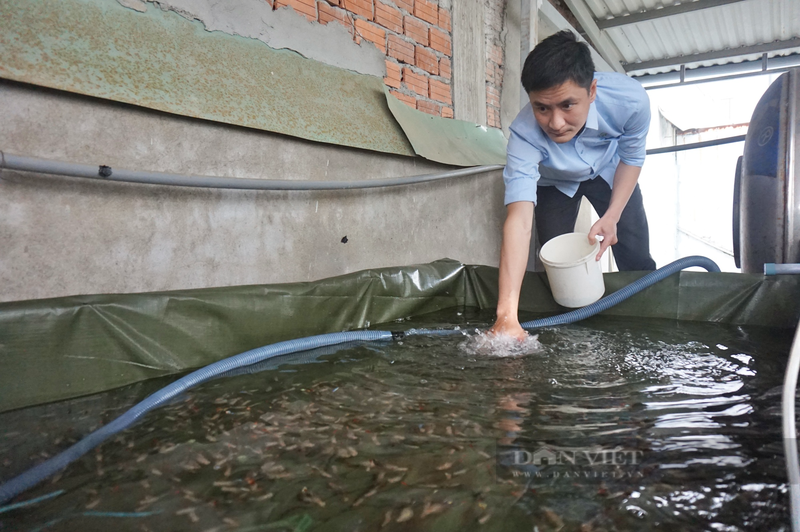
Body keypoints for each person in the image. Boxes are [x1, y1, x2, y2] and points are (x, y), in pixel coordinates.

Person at [490, 30, 656, 341]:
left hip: (608, 172)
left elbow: (631, 158)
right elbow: (520, 220)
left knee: (634, 247)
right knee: (558, 261)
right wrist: (506, 315)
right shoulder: (524, 135)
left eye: (567, 105)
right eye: (542, 108)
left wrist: (612, 216)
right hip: (555, 183)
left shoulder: (630, 101)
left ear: (592, 90)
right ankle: (569, 333)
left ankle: (645, 323)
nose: (555, 122)